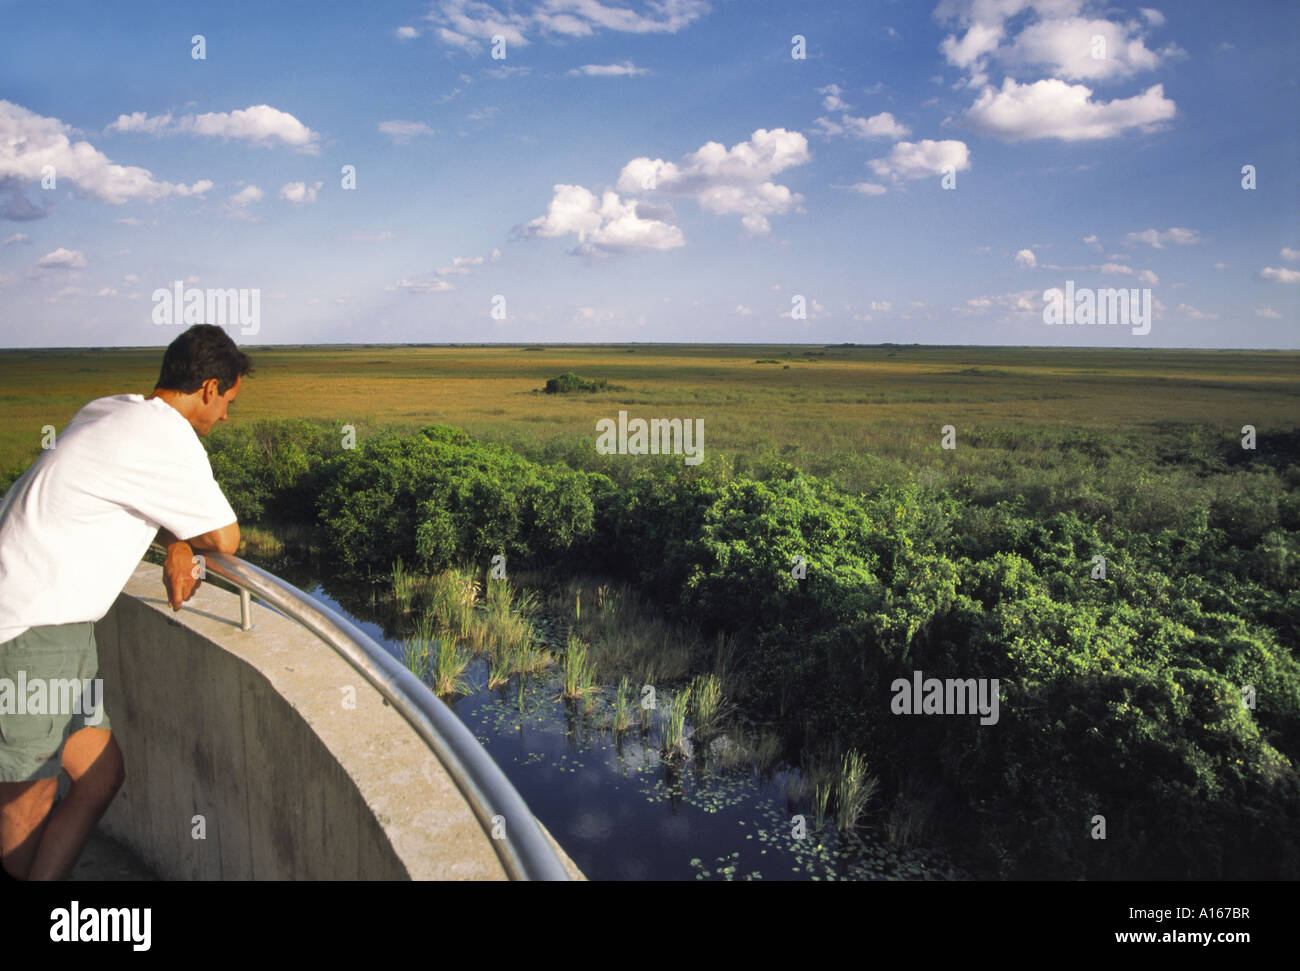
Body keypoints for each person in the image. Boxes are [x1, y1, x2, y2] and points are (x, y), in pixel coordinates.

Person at [0, 324, 251, 880]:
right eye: (229, 402)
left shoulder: (111, 408)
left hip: (59, 633)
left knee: (99, 777)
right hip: (27, 629)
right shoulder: (167, 436)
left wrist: (179, 538)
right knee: (28, 802)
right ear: (209, 388)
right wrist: (186, 537)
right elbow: (228, 539)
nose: (226, 417)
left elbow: (122, 495)